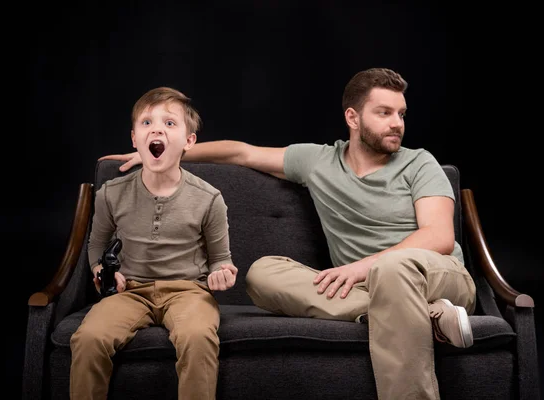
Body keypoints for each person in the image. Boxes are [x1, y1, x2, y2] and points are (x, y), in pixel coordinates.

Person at [100, 68, 477, 400]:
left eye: (401, 114)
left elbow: (439, 236)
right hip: (364, 290)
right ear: (353, 117)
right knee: (263, 273)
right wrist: (168, 152)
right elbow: (241, 154)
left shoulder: (419, 162)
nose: (397, 123)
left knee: (393, 270)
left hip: (435, 276)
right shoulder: (318, 161)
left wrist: (362, 267)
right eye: (384, 112)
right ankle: (424, 318)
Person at [71, 87, 238, 400]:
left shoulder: (209, 198)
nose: (157, 128)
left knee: (198, 336)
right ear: (135, 139)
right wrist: (100, 270)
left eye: (170, 123)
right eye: (147, 123)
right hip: (129, 291)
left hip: (188, 291)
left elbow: (220, 259)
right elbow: (96, 245)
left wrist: (222, 272)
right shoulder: (111, 193)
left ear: (189, 141)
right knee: (89, 337)